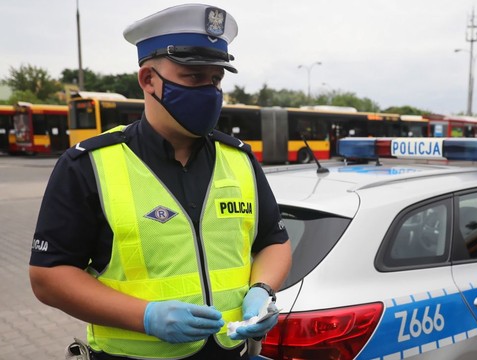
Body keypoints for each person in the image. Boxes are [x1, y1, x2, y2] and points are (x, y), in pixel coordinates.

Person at [29, 4, 292, 359]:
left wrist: (262, 290)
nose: (210, 91)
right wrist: (146, 317)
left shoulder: (240, 160)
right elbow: (49, 276)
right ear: (148, 80)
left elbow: (273, 241)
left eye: (216, 79)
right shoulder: (88, 164)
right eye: (193, 77)